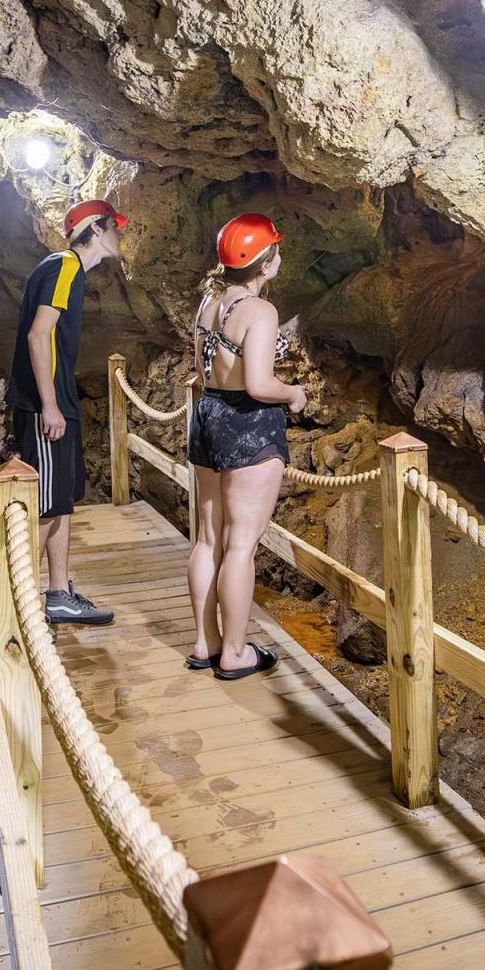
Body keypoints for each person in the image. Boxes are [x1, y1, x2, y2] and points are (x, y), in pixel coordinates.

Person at [184, 212, 307, 679]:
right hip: (247, 424)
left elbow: (201, 370)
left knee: (209, 537)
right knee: (241, 546)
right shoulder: (260, 312)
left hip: (209, 415)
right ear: (266, 261)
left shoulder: (208, 302)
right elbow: (258, 384)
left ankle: (205, 642)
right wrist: (294, 393)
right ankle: (235, 654)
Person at [6, 197, 128, 625]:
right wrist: (50, 405)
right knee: (42, 507)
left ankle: (57, 593)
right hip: (46, 406)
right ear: (95, 228)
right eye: (115, 226)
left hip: (56, 402)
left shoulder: (67, 270)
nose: (120, 235)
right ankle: (14, 611)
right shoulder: (64, 266)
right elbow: (39, 336)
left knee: (59, 503)